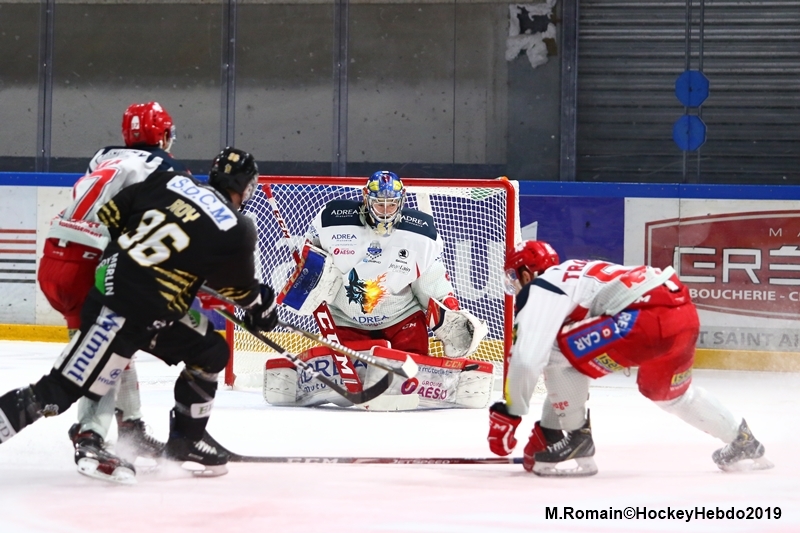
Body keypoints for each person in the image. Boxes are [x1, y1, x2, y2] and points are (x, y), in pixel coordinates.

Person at [0, 147, 278, 483]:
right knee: (56, 391)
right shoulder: (236, 227)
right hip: (119, 312)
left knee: (210, 349)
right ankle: (88, 441)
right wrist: (262, 308)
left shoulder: (168, 181)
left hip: (139, 304)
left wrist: (151, 261)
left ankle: (186, 440)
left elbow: (113, 216)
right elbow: (242, 293)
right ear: (245, 187)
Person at [487, 240, 773, 476]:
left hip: (646, 318)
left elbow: (529, 358)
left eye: (515, 276)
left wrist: (511, 412)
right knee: (668, 394)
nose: (515, 285)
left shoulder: (542, 286)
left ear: (527, 273)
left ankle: (578, 439)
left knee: (557, 349)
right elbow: (566, 371)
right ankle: (741, 439)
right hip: (682, 312)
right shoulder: (577, 274)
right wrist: (549, 429)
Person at [37, 101, 187, 478]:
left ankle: (130, 430)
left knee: (118, 349)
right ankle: (90, 435)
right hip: (90, 265)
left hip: (54, 256)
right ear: (163, 134)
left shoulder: (102, 156)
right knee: (103, 353)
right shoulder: (161, 167)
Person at [289, 170, 485, 358]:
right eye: (379, 205)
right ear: (366, 198)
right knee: (348, 379)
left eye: (391, 205)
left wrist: (450, 307)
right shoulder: (331, 221)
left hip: (401, 318)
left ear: (401, 201)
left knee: (413, 377)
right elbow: (315, 258)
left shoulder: (420, 234)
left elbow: (429, 279)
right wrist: (306, 276)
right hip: (346, 319)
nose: (385, 212)